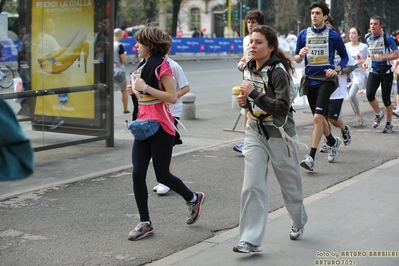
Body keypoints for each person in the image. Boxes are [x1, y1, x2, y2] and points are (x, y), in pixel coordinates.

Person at [232, 25, 307, 254]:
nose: (252, 46)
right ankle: (250, 240)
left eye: (258, 42)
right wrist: (245, 102)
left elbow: (283, 107)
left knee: (290, 185)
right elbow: (249, 100)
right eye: (251, 42)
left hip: (280, 133)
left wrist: (254, 95)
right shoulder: (247, 67)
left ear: (270, 47)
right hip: (255, 131)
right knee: (252, 185)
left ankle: (298, 221)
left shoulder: (278, 72)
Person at [126, 26, 204, 241]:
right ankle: (145, 223)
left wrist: (145, 88)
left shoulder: (164, 65)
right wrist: (134, 90)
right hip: (142, 126)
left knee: (163, 175)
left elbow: (171, 96)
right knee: (137, 174)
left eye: (139, 43)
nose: (136, 46)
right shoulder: (142, 65)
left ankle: (193, 198)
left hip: (161, 127)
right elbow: (143, 94)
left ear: (150, 46)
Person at [294, 0, 348, 171]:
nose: (314, 16)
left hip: (326, 80)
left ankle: (311, 157)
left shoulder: (333, 36)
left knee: (317, 118)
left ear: (325, 17)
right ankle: (332, 141)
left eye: (317, 13)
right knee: (321, 117)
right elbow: (296, 58)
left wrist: (337, 69)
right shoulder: (303, 34)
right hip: (310, 80)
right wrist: (300, 55)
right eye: (312, 13)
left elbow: (344, 57)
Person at [152, 46, 191, 195]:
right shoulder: (148, 63)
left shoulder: (173, 66)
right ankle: (164, 179)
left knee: (165, 146)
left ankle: (165, 180)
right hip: (155, 111)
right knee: (158, 146)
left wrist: (170, 97)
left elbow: (186, 88)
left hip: (171, 112)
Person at [319, 16, 355, 153]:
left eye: (327, 24)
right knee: (322, 118)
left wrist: (340, 70)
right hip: (322, 87)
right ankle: (329, 141)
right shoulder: (319, 46)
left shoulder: (341, 46)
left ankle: (344, 129)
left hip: (337, 90)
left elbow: (352, 65)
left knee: (332, 119)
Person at [234, 9, 265, 153]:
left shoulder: (266, 37)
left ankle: (262, 139)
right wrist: (241, 62)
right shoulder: (246, 39)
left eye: (253, 22)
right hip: (248, 78)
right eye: (248, 22)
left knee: (262, 109)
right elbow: (245, 56)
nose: (250, 25)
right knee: (246, 109)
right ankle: (247, 141)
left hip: (262, 79)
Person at [362, 15, 399, 133]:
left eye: (375, 24)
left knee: (386, 99)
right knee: (369, 95)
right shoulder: (367, 37)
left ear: (380, 26)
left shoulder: (386, 38)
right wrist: (367, 60)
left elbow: (397, 54)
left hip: (386, 72)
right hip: (374, 71)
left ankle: (389, 123)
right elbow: (370, 52)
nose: (372, 26)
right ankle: (378, 114)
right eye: (371, 24)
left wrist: (384, 57)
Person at [345, 27, 369, 127]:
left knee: (351, 95)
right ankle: (358, 118)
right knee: (351, 98)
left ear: (358, 35)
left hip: (359, 73)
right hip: (348, 74)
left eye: (354, 33)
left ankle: (359, 117)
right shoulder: (345, 46)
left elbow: (369, 57)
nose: (351, 35)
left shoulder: (364, 47)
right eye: (350, 33)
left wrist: (365, 62)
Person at [113, 28, 130, 114]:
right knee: (124, 90)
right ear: (120, 35)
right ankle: (125, 109)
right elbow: (123, 60)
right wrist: (125, 55)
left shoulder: (109, 44)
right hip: (119, 70)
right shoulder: (119, 45)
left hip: (111, 70)